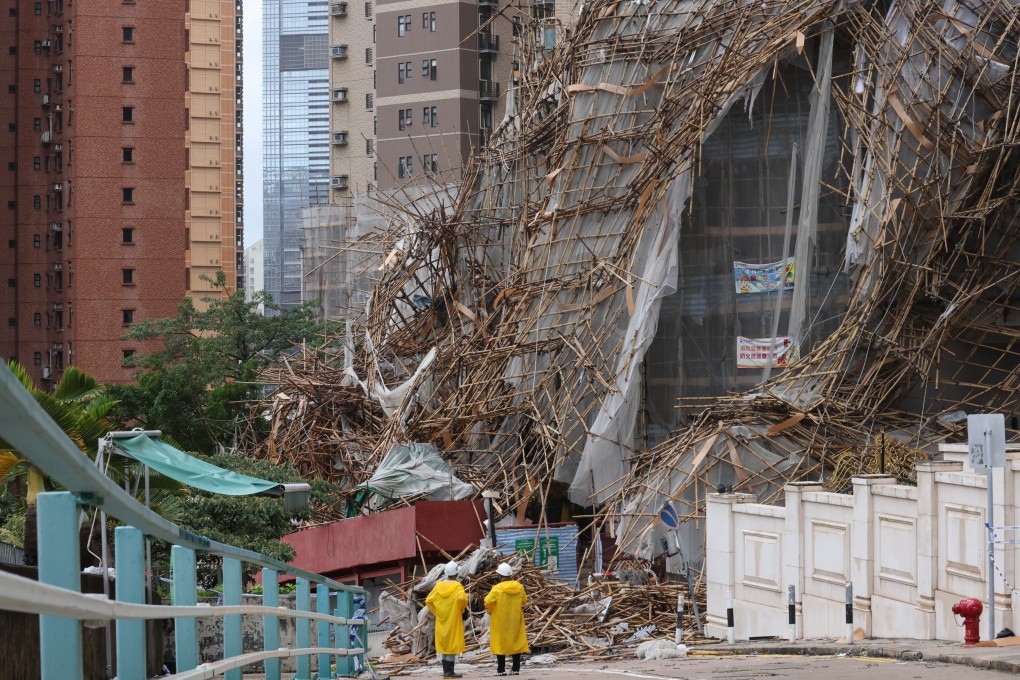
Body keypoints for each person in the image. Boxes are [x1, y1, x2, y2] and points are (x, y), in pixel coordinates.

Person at [426, 561, 469, 678]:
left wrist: (436, 612)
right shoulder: (457, 586)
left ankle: (446, 672)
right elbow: (462, 599)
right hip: (453, 619)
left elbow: (428, 600)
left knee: (444, 646)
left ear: (446, 573)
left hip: (441, 620)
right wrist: (460, 610)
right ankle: (449, 672)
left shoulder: (438, 586)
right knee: (452, 644)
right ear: (457, 573)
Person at [484, 562, 529, 676]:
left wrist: (490, 610)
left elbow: (487, 601)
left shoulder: (497, 589)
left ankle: (501, 670)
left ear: (500, 576)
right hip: (515, 620)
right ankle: (515, 669)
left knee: (500, 643)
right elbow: (524, 601)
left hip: (500, 620)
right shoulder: (519, 587)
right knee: (516, 642)